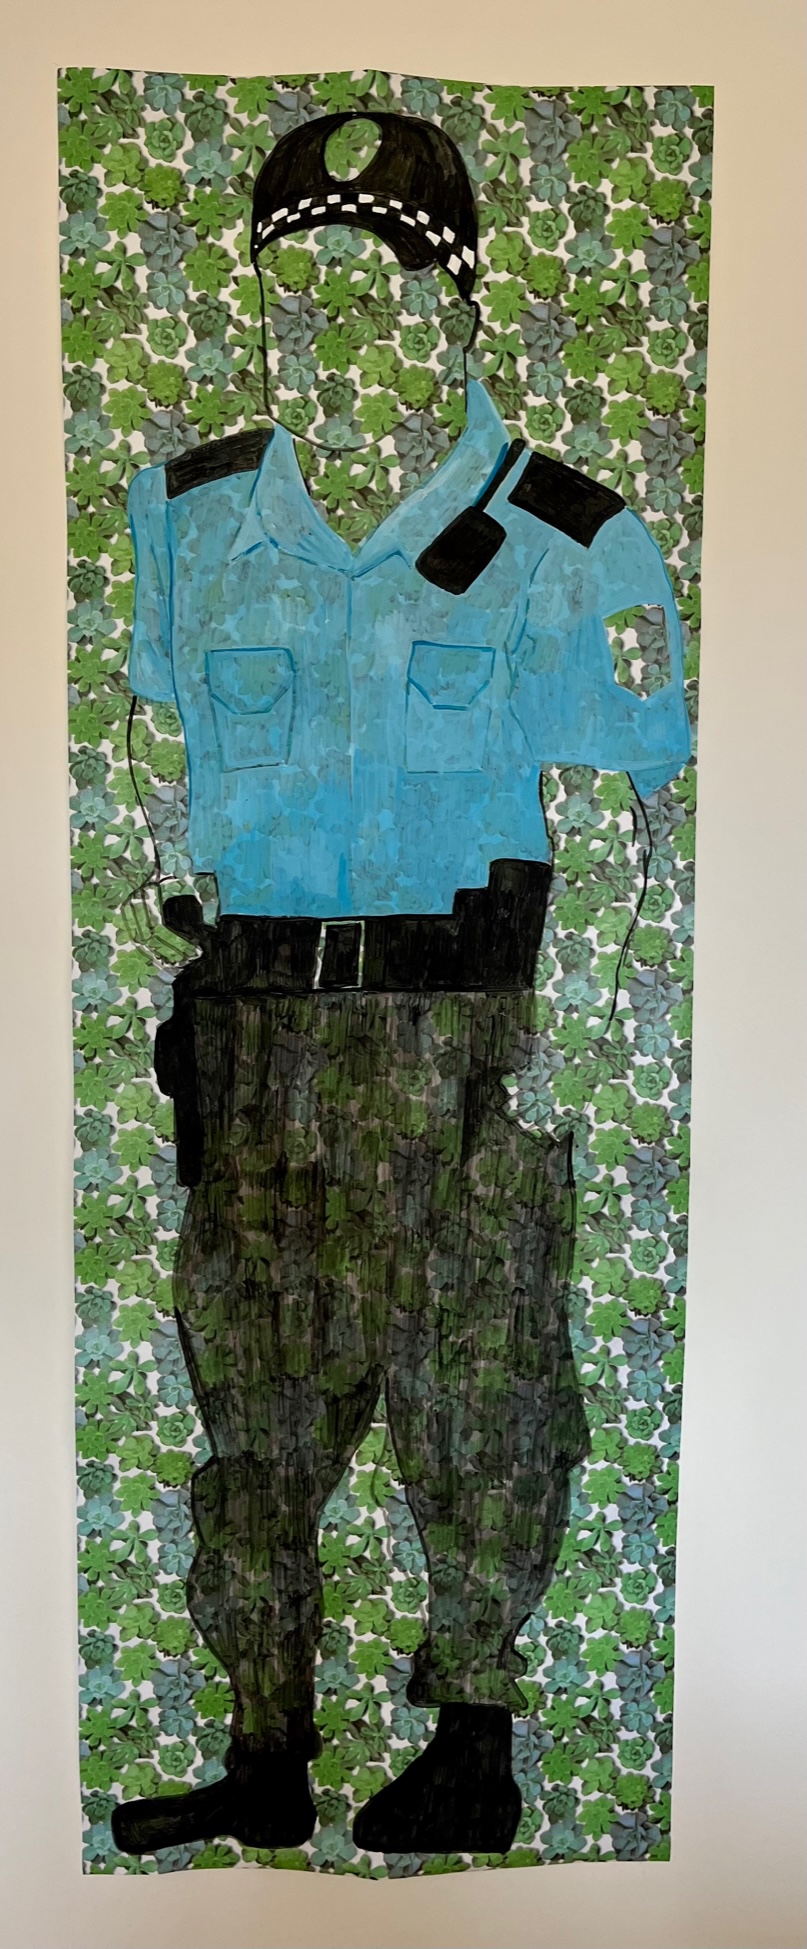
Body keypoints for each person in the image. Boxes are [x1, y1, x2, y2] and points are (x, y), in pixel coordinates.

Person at [112, 109, 690, 1860]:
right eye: (296, 299)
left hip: (466, 1037)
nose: (326, 339)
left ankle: (476, 1747)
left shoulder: (572, 539)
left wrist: (584, 1042)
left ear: (455, 307)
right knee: (252, 1403)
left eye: (370, 296)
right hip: (257, 1033)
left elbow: (643, 818)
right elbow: (146, 771)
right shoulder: (193, 516)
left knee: (485, 1391)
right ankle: (263, 1749)